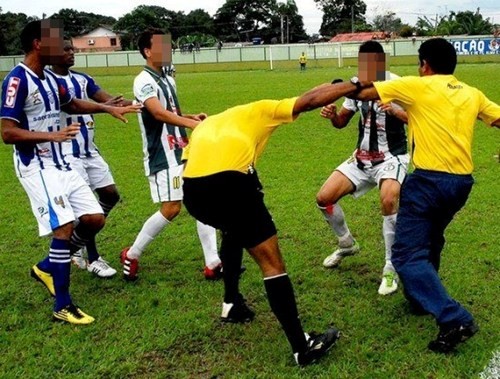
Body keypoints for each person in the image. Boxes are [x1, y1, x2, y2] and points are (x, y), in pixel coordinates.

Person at [181, 74, 382, 365]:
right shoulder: (259, 110)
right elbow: (309, 100)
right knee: (272, 264)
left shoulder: (206, 125)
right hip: (230, 186)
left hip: (193, 194)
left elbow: (191, 165)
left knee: (232, 231)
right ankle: (303, 348)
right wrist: (355, 85)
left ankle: (231, 303)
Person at [351, 38, 500, 352]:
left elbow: (365, 94)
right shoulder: (471, 93)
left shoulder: (417, 86)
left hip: (428, 182)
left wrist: (349, 84)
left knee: (405, 255)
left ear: (424, 65)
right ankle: (420, 298)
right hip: (461, 185)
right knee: (432, 237)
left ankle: (453, 317)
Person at [0, 20, 141, 324]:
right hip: (35, 166)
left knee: (94, 219)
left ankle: (46, 266)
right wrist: (50, 137)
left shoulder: (52, 79)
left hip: (61, 162)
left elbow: (72, 103)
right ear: (38, 43)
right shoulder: (16, 81)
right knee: (63, 227)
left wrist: (107, 108)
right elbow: (8, 133)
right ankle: (62, 305)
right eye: (57, 41)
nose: (66, 47)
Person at [121, 28, 222, 281]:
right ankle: (132, 254)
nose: (169, 49)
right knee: (172, 208)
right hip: (162, 154)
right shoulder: (143, 80)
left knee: (205, 202)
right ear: (147, 51)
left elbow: (172, 111)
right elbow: (157, 113)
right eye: (163, 46)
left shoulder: (167, 78)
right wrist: (191, 125)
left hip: (183, 149)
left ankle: (213, 262)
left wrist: (190, 117)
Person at [317, 41, 409, 296]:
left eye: (371, 64)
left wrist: (396, 111)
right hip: (361, 159)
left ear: (381, 63)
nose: (365, 70)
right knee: (324, 199)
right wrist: (332, 115)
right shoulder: (354, 86)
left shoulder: (398, 86)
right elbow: (341, 123)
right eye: (362, 64)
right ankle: (346, 243)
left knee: (389, 199)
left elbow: (419, 118)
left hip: (392, 157)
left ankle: (391, 267)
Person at [48, 40, 132, 278]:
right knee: (90, 211)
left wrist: (143, 104)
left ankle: (76, 243)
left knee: (110, 195)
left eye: (72, 49)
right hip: (66, 152)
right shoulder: (48, 82)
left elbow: (108, 100)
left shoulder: (82, 79)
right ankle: (93, 258)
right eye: (65, 49)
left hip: (89, 150)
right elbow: (74, 107)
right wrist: (103, 106)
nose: (71, 53)